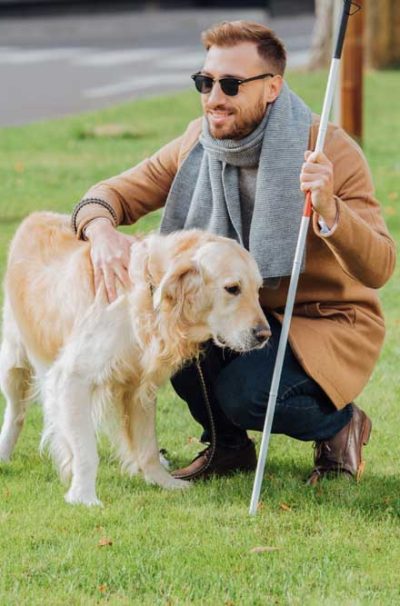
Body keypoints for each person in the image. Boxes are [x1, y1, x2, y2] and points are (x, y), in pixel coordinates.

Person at [72, 21, 395, 484]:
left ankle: (342, 425)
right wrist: (100, 231)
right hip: (234, 306)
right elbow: (109, 195)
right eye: (205, 83)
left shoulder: (329, 151)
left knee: (247, 394)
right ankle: (227, 448)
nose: (213, 98)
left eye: (230, 84)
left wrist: (330, 208)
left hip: (321, 321)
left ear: (272, 87)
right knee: (177, 322)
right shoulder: (196, 142)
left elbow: (380, 266)